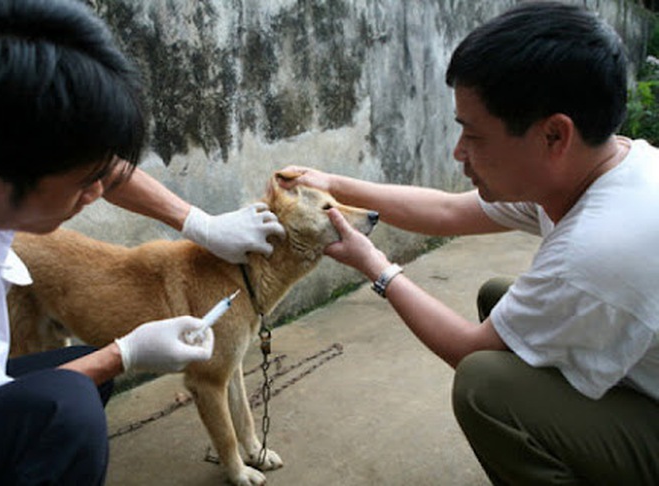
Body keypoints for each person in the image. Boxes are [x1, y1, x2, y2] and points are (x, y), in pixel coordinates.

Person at [0, 0, 283, 484]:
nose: (99, 192)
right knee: (67, 412)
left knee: (78, 372)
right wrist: (125, 353)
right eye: (84, 183)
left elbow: (107, 170)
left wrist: (198, 222)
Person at [282, 2, 659, 484]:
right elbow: (447, 211)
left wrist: (374, 265)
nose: (459, 152)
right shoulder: (609, 164)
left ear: (553, 134)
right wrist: (332, 182)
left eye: (473, 135)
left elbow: (467, 349)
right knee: (499, 300)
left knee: (485, 387)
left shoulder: (597, 250)